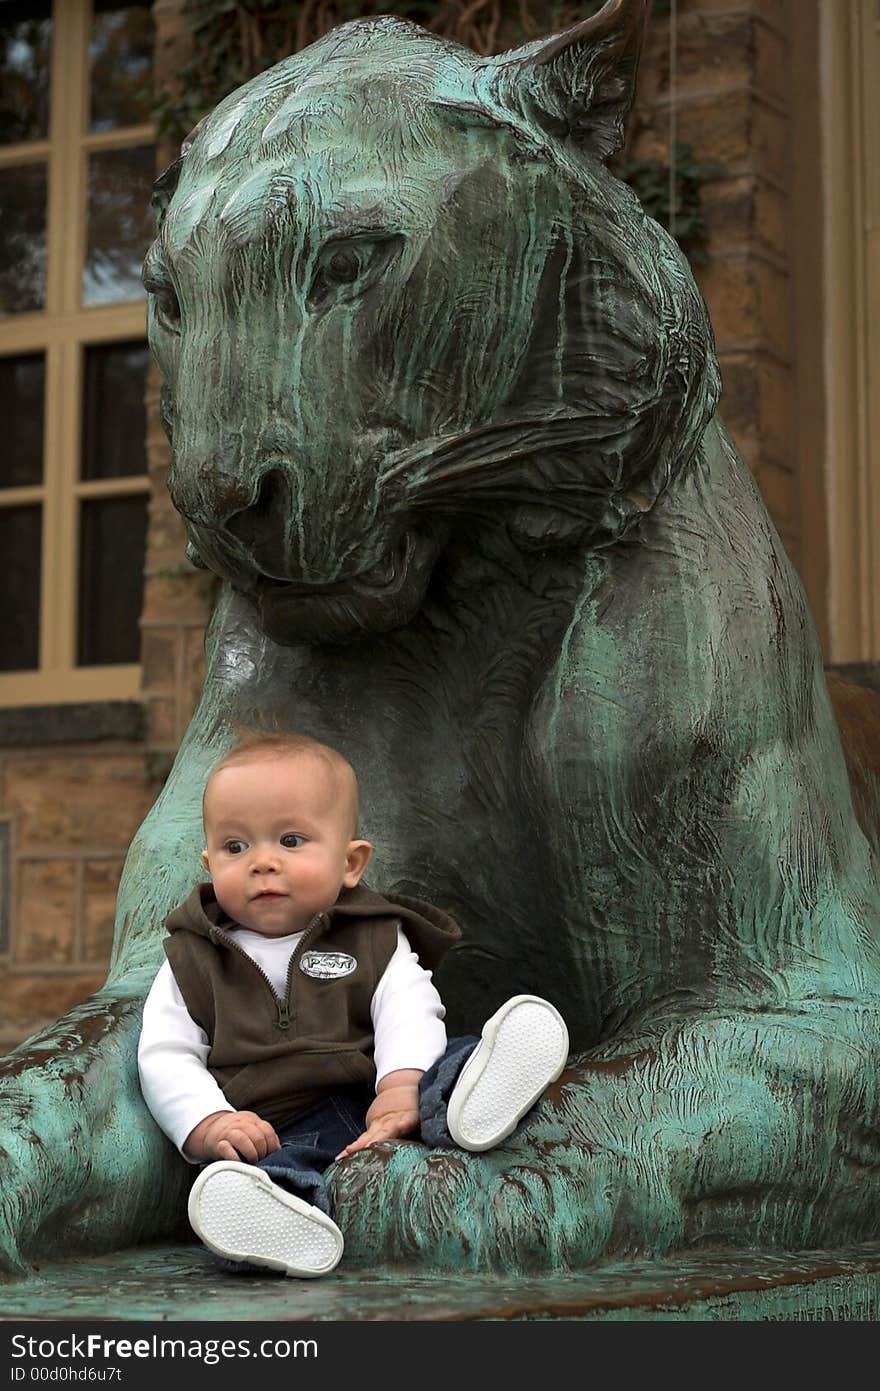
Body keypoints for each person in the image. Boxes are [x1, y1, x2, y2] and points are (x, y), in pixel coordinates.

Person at [138, 731, 569, 1277]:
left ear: (351, 863)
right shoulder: (192, 958)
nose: (262, 863)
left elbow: (408, 1011)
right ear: (208, 862)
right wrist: (208, 1120)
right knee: (274, 1172)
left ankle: (477, 1091)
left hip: (378, 1092)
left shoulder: (372, 936)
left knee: (446, 1061)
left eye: (291, 841)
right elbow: (165, 1054)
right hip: (282, 1122)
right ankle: (273, 1223)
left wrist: (397, 1090)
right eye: (235, 847)